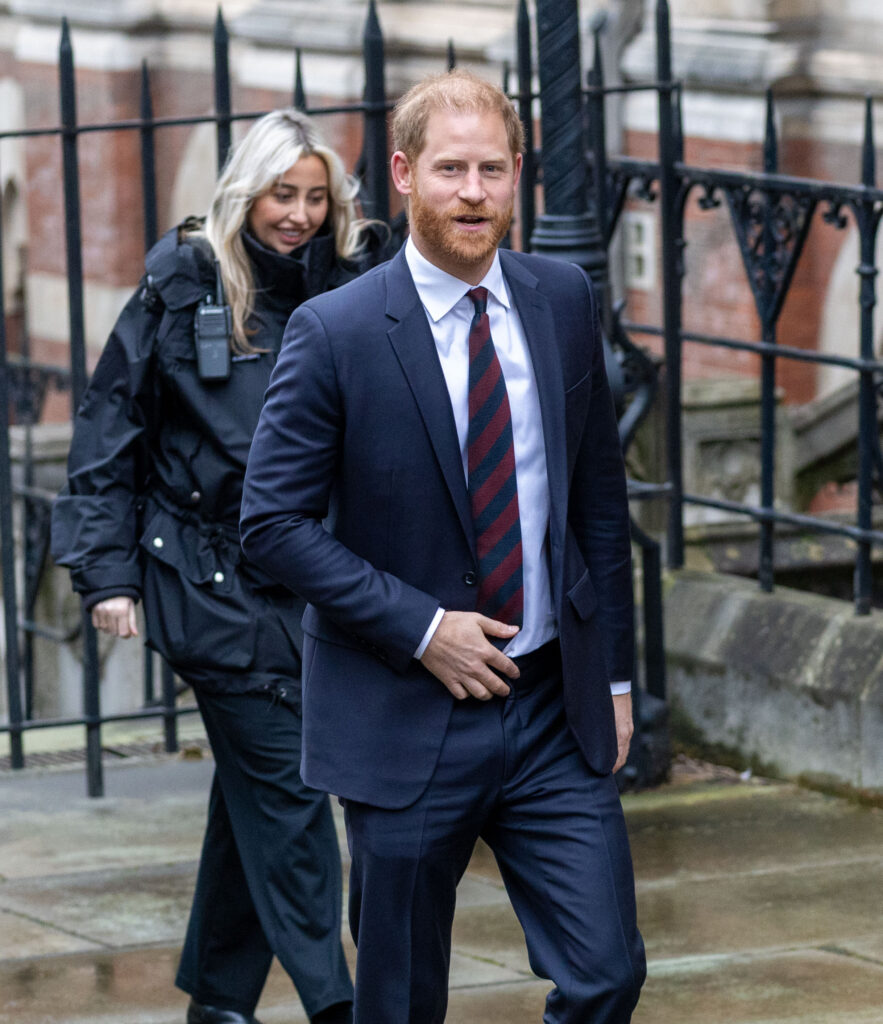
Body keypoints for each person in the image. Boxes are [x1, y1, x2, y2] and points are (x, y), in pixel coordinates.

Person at [240, 71, 646, 1023]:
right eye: (452, 169)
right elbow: (271, 525)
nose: (473, 193)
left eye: (493, 171)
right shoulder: (335, 331)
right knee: (400, 1000)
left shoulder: (560, 297)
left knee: (606, 974)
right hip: (402, 714)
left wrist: (616, 682)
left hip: (552, 708)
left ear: (518, 178)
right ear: (404, 174)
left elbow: (597, 507)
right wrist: (424, 629)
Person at [51, 108, 386, 1024]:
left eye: (317, 196)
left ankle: (221, 1000)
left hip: (312, 578)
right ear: (247, 190)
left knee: (255, 787)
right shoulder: (183, 279)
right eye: (284, 193)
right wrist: (106, 573)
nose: (300, 215)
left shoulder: (357, 278)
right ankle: (336, 1004)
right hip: (204, 578)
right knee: (291, 791)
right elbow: (109, 427)